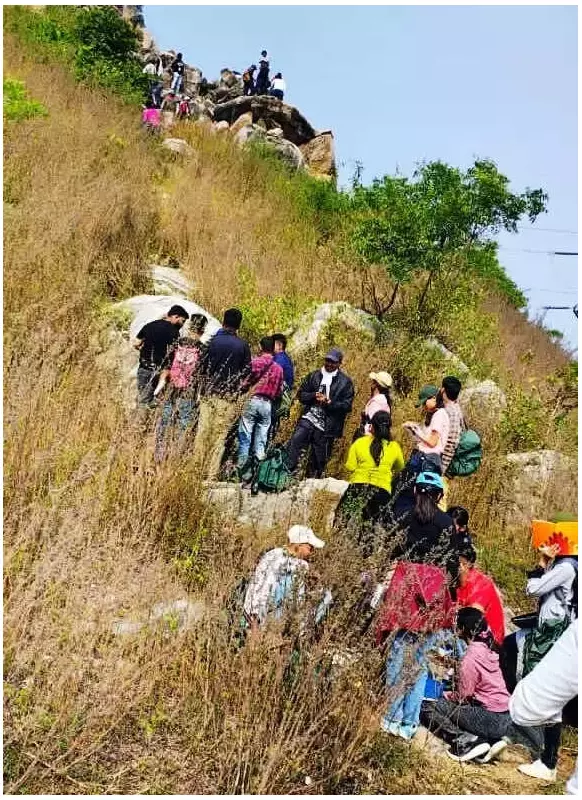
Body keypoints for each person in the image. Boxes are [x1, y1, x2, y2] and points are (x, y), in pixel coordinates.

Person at [420, 607, 544, 763]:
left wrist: (444, 694)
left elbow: (462, 697)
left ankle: (467, 741)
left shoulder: (470, 658)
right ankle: (492, 740)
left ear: (462, 629)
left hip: (491, 719)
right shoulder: (491, 645)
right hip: (507, 712)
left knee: (429, 705)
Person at [510, 620, 578, 789]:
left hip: (555, 630)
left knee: (552, 697)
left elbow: (534, 591)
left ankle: (548, 762)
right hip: (558, 627)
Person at [335, 411, 404, 556]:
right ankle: (364, 557)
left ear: (371, 427)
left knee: (341, 518)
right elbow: (399, 468)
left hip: (358, 486)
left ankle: (336, 548)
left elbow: (350, 466)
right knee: (371, 526)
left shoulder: (359, 443)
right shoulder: (395, 447)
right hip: (382, 492)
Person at [195, 308, 252, 480]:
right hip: (228, 397)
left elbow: (200, 367)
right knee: (219, 437)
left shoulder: (212, 342)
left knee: (203, 432)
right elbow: (247, 372)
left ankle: (195, 471)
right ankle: (211, 474)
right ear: (238, 325)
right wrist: (237, 388)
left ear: (223, 321)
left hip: (209, 394)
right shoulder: (242, 346)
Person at [242, 525, 326, 633]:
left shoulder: (274, 554)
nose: (312, 552)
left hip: (271, 615)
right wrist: (255, 619)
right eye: (310, 548)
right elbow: (262, 588)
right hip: (262, 616)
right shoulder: (280, 560)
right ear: (299, 545)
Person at [286, 348, 354, 479]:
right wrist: (313, 396)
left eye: (332, 362)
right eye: (327, 360)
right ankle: (286, 474)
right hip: (309, 418)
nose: (329, 364)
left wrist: (330, 403)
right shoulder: (314, 375)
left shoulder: (345, 383)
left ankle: (310, 482)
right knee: (295, 443)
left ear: (339, 363)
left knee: (318, 459)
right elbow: (301, 394)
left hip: (326, 426)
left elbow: (347, 406)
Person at [154, 314, 208, 461]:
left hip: (171, 386)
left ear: (189, 326)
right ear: (203, 330)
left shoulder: (177, 342)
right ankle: (175, 457)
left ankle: (159, 454)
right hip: (189, 390)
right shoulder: (203, 349)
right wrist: (199, 394)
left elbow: (166, 364)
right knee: (184, 423)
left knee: (165, 420)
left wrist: (161, 384)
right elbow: (203, 374)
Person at [389, 473, 455, 569]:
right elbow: (450, 558)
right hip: (430, 578)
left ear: (415, 490)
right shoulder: (447, 522)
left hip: (398, 571)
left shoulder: (401, 513)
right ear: (439, 495)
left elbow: (389, 544)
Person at [237, 336, 284, 473]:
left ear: (260, 347)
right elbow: (279, 392)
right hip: (267, 404)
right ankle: (257, 472)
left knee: (245, 435)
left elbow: (245, 383)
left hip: (252, 400)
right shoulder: (279, 369)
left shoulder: (255, 363)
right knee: (261, 438)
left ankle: (241, 468)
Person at [133, 305, 189, 407]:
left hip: (143, 368)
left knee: (142, 397)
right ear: (175, 316)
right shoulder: (175, 333)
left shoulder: (150, 325)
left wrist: (143, 350)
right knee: (152, 401)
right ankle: (144, 421)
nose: (182, 325)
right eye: (182, 321)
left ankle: (141, 420)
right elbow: (174, 354)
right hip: (160, 372)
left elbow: (136, 343)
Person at [455, 542, 506, 647]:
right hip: (470, 632)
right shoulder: (458, 581)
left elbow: (473, 622)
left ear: (464, 564)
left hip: (489, 642)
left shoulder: (481, 584)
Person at [403, 384, 450, 476]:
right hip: (424, 457)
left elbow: (432, 442)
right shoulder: (433, 414)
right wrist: (412, 431)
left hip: (430, 460)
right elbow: (424, 440)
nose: (423, 406)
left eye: (425, 402)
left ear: (433, 398)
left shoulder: (439, 414)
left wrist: (416, 430)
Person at [269, 333, 295, 443]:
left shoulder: (279, 359)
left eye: (272, 344)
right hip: (281, 399)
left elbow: (273, 380)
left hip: (276, 399)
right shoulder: (285, 358)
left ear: (279, 345)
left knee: (269, 425)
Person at [355, 371, 392, 439]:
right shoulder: (384, 400)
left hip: (368, 438)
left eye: (373, 381)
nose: (371, 384)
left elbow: (374, 424)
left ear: (376, 384)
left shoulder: (377, 402)